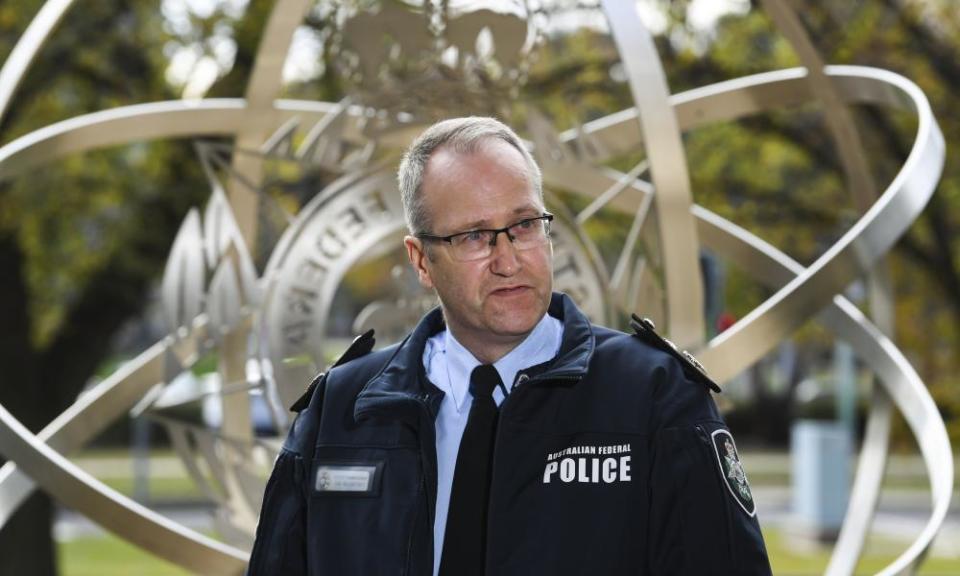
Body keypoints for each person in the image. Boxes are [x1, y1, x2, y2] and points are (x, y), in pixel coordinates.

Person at [247, 117, 772, 575]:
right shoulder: (343, 410)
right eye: (474, 236)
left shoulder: (654, 396)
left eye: (523, 225)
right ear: (421, 260)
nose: (508, 258)